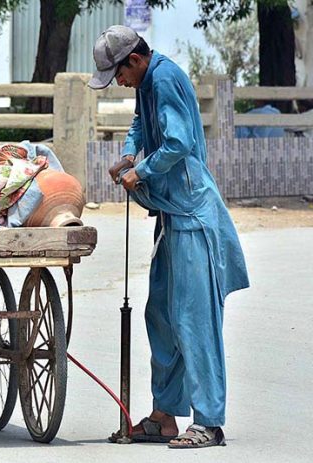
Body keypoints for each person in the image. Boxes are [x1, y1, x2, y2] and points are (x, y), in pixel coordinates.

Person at [89, 25, 249, 449]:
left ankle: (209, 422)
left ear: (135, 61)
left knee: (195, 320)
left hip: (193, 216)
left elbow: (178, 142)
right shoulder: (147, 83)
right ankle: (164, 416)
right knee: (160, 314)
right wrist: (128, 152)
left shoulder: (163, 77)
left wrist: (139, 172)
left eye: (119, 75)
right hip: (171, 217)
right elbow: (142, 124)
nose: (119, 84)